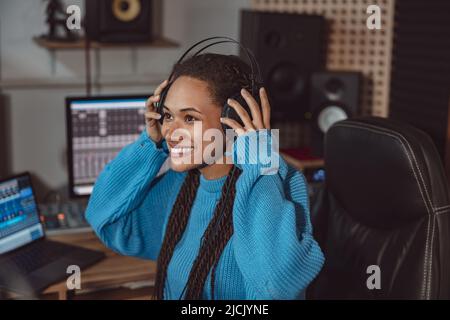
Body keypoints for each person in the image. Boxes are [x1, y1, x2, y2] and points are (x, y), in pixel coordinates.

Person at [85, 52, 324, 300]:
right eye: (167, 116)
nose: (171, 132)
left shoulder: (277, 181)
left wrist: (259, 161)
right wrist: (150, 144)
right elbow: (104, 218)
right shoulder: (182, 185)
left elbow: (278, 287)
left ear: (233, 121)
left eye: (189, 118)